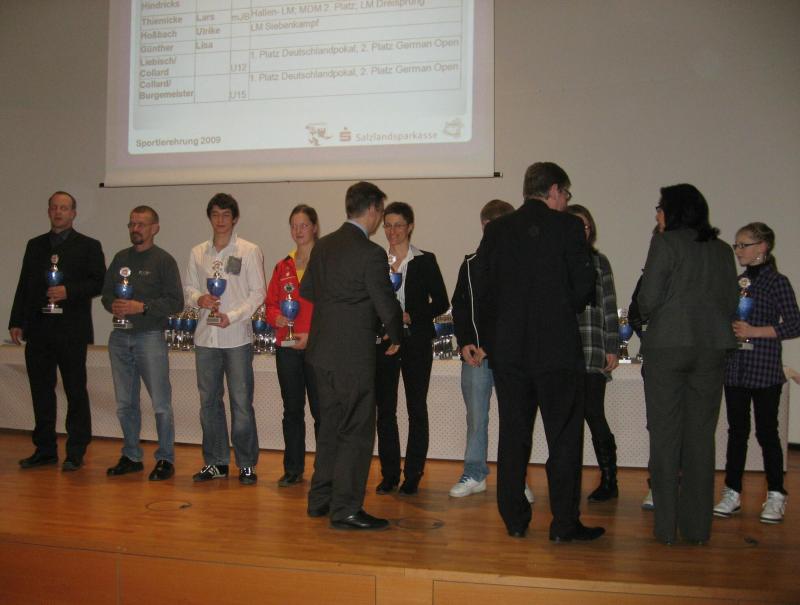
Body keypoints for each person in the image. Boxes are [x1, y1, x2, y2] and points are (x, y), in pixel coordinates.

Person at [475, 162, 602, 541]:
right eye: (566, 194)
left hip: (510, 354)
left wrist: (498, 339)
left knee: (513, 436)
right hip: (556, 351)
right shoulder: (568, 227)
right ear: (554, 190)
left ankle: (514, 519)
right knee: (563, 438)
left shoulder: (497, 230)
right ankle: (563, 524)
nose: (566, 200)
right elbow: (584, 287)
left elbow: (482, 291)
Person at [637, 184, 738, 545]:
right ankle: (697, 529)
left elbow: (647, 300)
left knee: (665, 437)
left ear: (674, 210)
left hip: (668, 346)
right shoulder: (723, 250)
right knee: (700, 438)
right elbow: (731, 301)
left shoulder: (666, 243)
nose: (657, 213)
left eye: (660, 206)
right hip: (711, 348)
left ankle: (666, 528)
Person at [302, 181, 402, 531]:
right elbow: (386, 303)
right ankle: (345, 509)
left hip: (321, 352)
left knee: (330, 428)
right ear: (372, 209)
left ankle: (320, 499)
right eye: (380, 212)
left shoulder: (324, 245)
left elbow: (308, 291)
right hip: (352, 357)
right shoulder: (370, 253)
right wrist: (396, 334)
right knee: (356, 431)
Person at [9, 191, 105, 471]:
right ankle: (45, 449)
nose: (59, 212)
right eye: (54, 207)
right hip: (38, 329)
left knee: (75, 391)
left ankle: (75, 451)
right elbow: (24, 284)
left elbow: (99, 282)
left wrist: (68, 291)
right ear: (49, 211)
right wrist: (16, 321)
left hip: (71, 331)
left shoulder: (88, 246)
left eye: (64, 208)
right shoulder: (35, 245)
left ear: (73, 213)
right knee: (41, 391)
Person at [713, 222, 800, 524]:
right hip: (736, 368)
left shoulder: (777, 282)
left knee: (767, 432)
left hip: (764, 369)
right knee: (736, 432)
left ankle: (776, 493)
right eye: (736, 245)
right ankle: (732, 492)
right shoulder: (737, 282)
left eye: (744, 245)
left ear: (762, 246)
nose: (738, 251)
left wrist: (756, 331)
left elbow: (794, 324)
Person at [449, 199, 533, 503]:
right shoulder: (471, 264)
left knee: (515, 418)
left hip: (510, 355)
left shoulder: (522, 264)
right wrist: (465, 343)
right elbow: (460, 307)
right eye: (489, 227)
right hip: (474, 357)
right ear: (483, 226)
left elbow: (518, 312)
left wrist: (492, 346)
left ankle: (516, 479)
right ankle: (475, 473)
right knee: (476, 417)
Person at [184, 193, 266, 485]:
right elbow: (189, 289)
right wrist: (200, 298)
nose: (220, 220)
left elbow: (258, 293)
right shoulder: (198, 252)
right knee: (208, 403)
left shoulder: (249, 250)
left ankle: (246, 464)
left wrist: (232, 315)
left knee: (241, 403)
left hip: (236, 338)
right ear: (209, 217)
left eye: (226, 214)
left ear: (235, 218)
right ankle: (216, 462)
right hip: (206, 339)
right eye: (215, 214)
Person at [101, 206, 183, 480]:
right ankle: (131, 455)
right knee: (125, 403)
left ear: (154, 228)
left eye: (141, 224)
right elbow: (106, 295)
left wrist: (142, 307)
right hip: (119, 337)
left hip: (150, 337)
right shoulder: (120, 258)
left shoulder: (164, 260)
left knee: (160, 403)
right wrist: (114, 305)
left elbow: (176, 302)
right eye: (132, 224)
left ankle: (165, 459)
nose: (135, 229)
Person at [374, 201, 449, 496]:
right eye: (387, 225)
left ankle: (413, 474)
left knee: (416, 408)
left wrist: (411, 316)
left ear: (410, 227)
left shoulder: (425, 260)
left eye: (398, 225)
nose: (392, 231)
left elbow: (441, 302)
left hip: (416, 342)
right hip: (385, 343)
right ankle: (389, 474)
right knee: (385, 410)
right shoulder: (376, 261)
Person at [566, 204, 620, 502]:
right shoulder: (554, 260)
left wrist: (612, 346)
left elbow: (609, 306)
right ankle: (567, 479)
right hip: (561, 352)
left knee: (593, 413)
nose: (580, 231)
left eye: (585, 226)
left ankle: (610, 478)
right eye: (574, 226)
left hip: (592, 348)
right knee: (566, 420)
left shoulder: (600, 262)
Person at [265, 204, 321, 487]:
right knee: (292, 410)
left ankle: (325, 468)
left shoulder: (326, 263)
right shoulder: (282, 266)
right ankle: (293, 469)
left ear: (315, 228)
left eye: (304, 225)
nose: (298, 231)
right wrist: (276, 317)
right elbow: (270, 304)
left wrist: (313, 335)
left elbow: (333, 306)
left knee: (322, 411)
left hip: (318, 346)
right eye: (294, 226)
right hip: (287, 347)